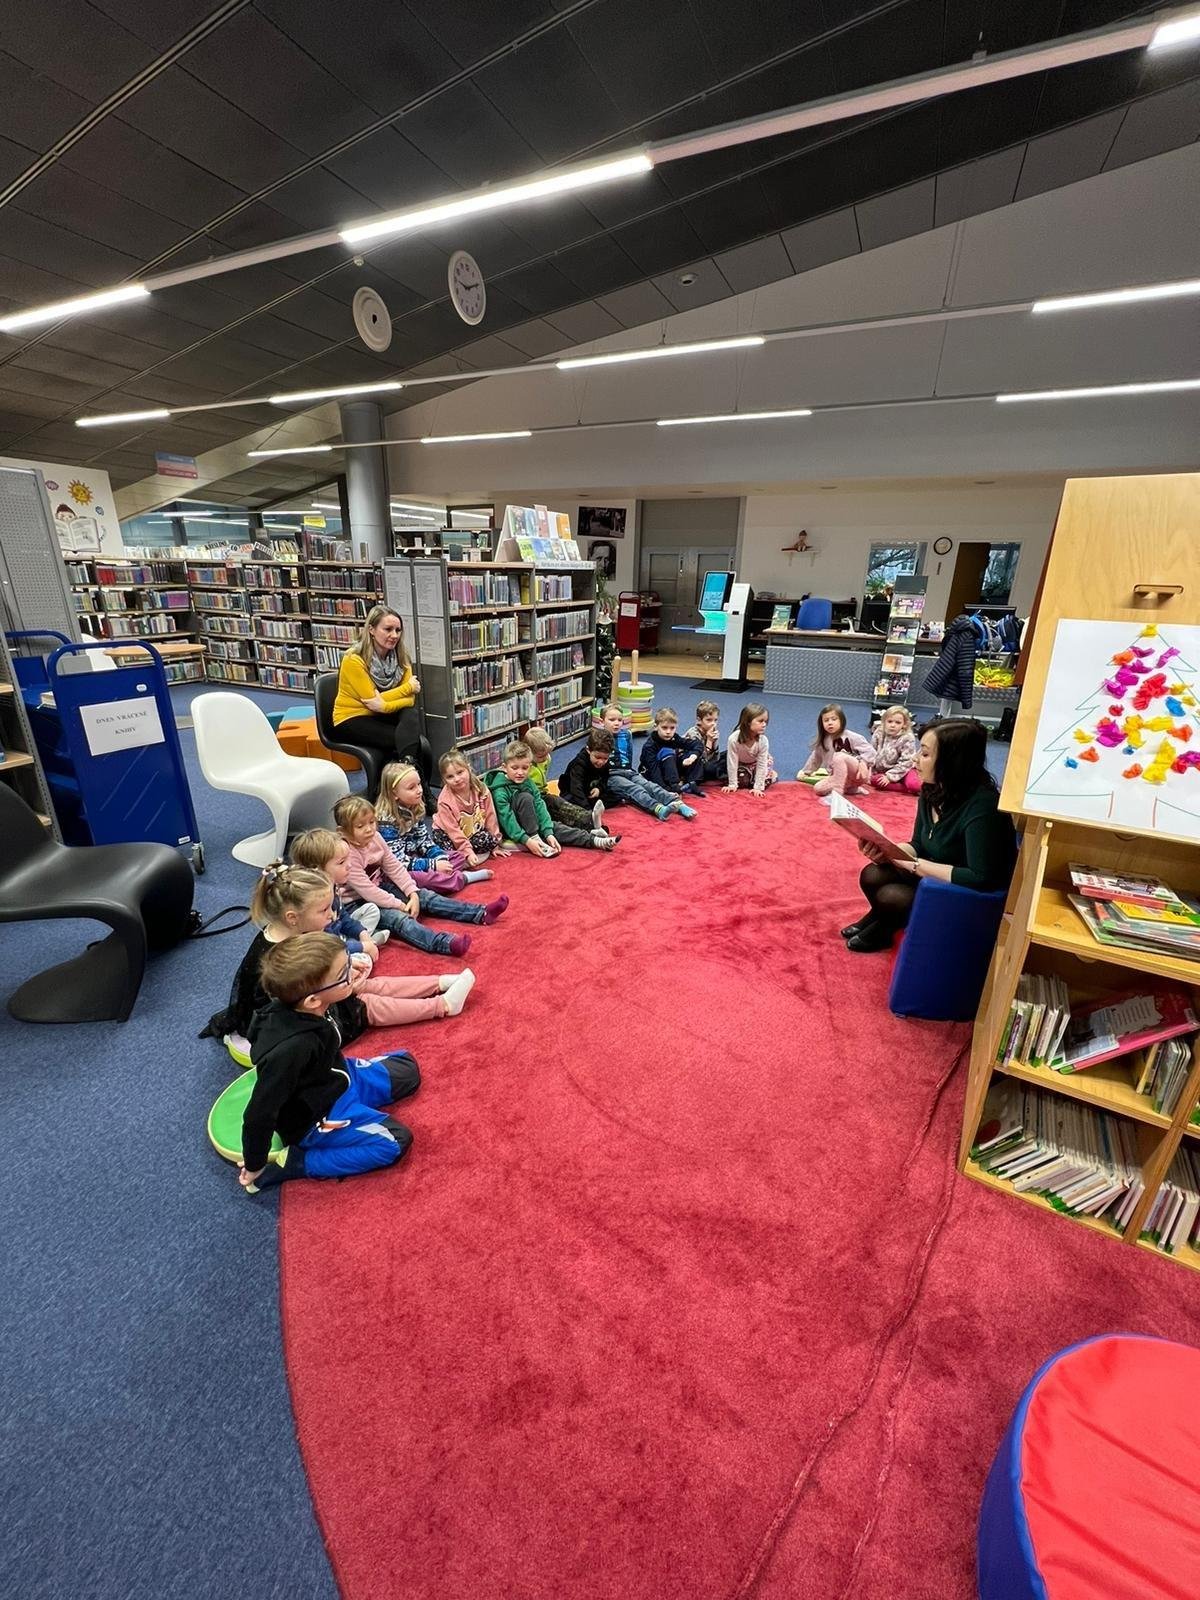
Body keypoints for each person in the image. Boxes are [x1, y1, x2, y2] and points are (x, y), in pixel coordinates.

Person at [238, 933, 422, 1192]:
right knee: (395, 1141)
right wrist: (255, 1163)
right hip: (319, 1117)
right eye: (343, 973)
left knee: (408, 1069)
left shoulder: (311, 1005)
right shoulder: (290, 1051)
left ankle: (357, 1099)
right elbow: (259, 1114)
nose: (352, 972)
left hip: (336, 1078)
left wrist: (346, 973)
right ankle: (301, 1163)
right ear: (313, 1000)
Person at [844, 718, 1017, 953]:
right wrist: (888, 850)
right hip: (936, 868)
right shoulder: (932, 789)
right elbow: (918, 843)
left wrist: (914, 865)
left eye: (925, 754)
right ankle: (881, 916)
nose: (915, 759)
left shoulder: (983, 807)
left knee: (891, 896)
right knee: (872, 874)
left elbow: (980, 877)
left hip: (968, 890)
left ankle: (885, 925)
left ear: (953, 761)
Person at [289, 832, 477, 1020]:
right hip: (334, 990)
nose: (349, 865)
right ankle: (442, 1004)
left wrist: (362, 937)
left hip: (335, 967)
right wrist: (358, 951)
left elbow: (342, 921)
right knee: (368, 1000)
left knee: (371, 983)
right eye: (341, 862)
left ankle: (441, 983)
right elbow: (330, 948)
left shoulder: (326, 895)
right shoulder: (310, 924)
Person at [334, 795, 508, 955]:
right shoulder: (347, 854)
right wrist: (400, 905)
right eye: (360, 826)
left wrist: (412, 893)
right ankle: (444, 943)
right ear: (343, 831)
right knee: (400, 919)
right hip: (357, 904)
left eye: (372, 822)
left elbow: (394, 867)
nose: (369, 829)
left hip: (380, 886)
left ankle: (480, 913)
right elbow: (368, 891)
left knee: (426, 896)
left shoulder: (376, 838)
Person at [332, 604, 428, 773]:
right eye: (388, 629)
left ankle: (409, 775)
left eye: (398, 630)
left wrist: (384, 706)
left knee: (410, 714)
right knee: (408, 742)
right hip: (352, 718)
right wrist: (408, 687)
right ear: (371, 630)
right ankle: (411, 779)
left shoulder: (402, 656)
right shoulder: (353, 659)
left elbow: (409, 701)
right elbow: (371, 702)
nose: (394, 635)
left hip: (381, 714)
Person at [375, 761, 493, 893]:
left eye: (419, 784)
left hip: (417, 857)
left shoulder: (414, 807)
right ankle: (462, 878)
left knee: (458, 856)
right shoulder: (386, 822)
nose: (419, 790)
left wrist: (439, 858)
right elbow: (398, 862)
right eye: (411, 788)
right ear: (394, 794)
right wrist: (433, 865)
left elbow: (424, 841)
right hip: (397, 870)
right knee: (423, 878)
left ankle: (444, 874)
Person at [484, 740, 617, 854]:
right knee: (525, 798)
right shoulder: (499, 791)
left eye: (524, 768)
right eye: (514, 768)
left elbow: (539, 805)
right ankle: (535, 836)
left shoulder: (528, 782)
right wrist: (527, 840)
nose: (520, 772)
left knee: (557, 828)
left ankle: (595, 840)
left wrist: (548, 832)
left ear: (530, 767)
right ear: (504, 767)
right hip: (515, 830)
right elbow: (507, 819)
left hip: (532, 821)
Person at [291, 827, 384, 948]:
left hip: (337, 934)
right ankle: (366, 945)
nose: (349, 865)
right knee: (361, 957)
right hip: (328, 947)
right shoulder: (316, 901)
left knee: (371, 910)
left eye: (348, 858)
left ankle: (366, 941)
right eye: (341, 862)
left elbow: (342, 916)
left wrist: (362, 932)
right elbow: (327, 944)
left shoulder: (333, 886)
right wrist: (361, 947)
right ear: (318, 870)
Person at [598, 704, 695, 820]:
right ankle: (658, 808)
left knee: (649, 785)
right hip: (612, 774)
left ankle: (678, 804)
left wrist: (630, 770)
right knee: (635, 789)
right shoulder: (598, 737)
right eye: (612, 720)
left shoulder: (627, 734)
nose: (616, 723)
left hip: (628, 771)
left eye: (619, 720)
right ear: (602, 721)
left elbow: (629, 754)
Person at [434, 749, 513, 866]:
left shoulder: (481, 789)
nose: (457, 779)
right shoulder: (444, 801)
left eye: (460, 772)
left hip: (472, 831)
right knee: (444, 850)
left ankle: (464, 858)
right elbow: (453, 831)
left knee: (488, 839)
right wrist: (467, 852)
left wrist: (495, 845)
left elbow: (491, 818)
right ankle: (463, 857)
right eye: (450, 777)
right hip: (448, 833)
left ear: (468, 769)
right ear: (444, 779)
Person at [524, 725, 608, 833]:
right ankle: (589, 826)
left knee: (562, 805)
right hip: (532, 800)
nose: (545, 758)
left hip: (543, 794)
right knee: (558, 812)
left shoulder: (546, 759)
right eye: (541, 756)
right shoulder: (524, 767)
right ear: (528, 752)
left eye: (547, 754)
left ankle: (591, 819)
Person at [799, 704, 874, 797]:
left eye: (834, 719)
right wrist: (806, 771)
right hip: (839, 777)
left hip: (857, 774)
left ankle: (837, 793)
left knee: (839, 757)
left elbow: (871, 752)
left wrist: (864, 762)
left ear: (841, 721)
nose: (830, 723)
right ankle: (851, 789)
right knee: (818, 789)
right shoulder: (823, 741)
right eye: (826, 720)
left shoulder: (852, 736)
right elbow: (815, 758)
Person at [639, 706, 704, 795]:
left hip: (670, 769)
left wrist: (693, 756)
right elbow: (654, 771)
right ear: (656, 727)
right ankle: (674, 786)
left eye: (672, 728)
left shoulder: (674, 738)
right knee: (667, 752)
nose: (668, 732)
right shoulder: (650, 746)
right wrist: (666, 790)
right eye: (664, 728)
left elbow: (697, 744)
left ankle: (692, 783)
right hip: (651, 773)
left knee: (693, 755)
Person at [560, 728, 618, 819]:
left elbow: (605, 777)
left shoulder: (604, 762)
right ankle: (588, 807)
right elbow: (576, 789)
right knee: (568, 803)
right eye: (597, 757)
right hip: (573, 792)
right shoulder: (579, 764)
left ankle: (591, 805)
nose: (601, 762)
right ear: (588, 750)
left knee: (616, 795)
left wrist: (599, 788)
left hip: (590, 791)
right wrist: (588, 812)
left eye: (605, 758)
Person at [723, 702, 777, 796]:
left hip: (756, 763)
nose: (764, 724)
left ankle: (771, 775)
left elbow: (761, 764)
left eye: (765, 721)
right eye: (760, 721)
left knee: (762, 780)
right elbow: (732, 762)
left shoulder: (763, 741)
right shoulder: (733, 739)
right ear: (748, 722)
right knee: (742, 781)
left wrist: (758, 788)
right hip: (741, 764)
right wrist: (732, 784)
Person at [866, 705, 921, 792]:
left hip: (905, 770)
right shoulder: (879, 732)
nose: (893, 725)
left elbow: (906, 761)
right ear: (884, 721)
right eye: (890, 721)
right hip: (882, 771)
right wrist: (869, 769)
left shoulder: (908, 738)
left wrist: (890, 777)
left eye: (898, 723)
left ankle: (906, 787)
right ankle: (902, 787)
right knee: (873, 779)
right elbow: (871, 752)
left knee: (914, 785)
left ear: (904, 724)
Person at [683, 699, 723, 785]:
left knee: (728, 755)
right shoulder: (693, 734)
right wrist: (709, 741)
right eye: (709, 720)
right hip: (692, 767)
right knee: (712, 768)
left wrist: (715, 742)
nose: (713, 724)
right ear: (699, 720)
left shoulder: (710, 731)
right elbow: (702, 761)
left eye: (715, 720)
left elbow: (716, 758)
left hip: (706, 761)